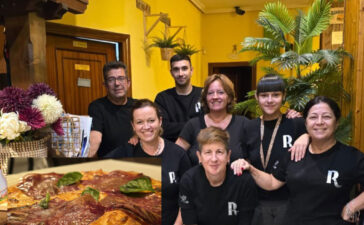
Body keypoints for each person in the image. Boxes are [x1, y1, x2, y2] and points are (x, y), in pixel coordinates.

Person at [231, 96, 364, 225]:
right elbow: (272, 182)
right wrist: (249, 167)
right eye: (313, 117)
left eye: (326, 117)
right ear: (305, 123)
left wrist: (351, 207)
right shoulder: (295, 153)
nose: (319, 122)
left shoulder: (351, 157)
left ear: (336, 123)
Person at [105, 99, 191, 225]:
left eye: (151, 121)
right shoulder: (125, 153)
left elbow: (187, 198)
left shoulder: (178, 154)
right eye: (140, 122)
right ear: (133, 126)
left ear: (160, 121)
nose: (146, 127)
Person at [237, 74, 308, 225]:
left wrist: (307, 136)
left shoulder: (296, 124)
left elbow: (319, 143)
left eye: (275, 95)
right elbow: (245, 159)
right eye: (264, 95)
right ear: (256, 97)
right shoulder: (249, 127)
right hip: (256, 203)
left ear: (284, 96)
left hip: (289, 201)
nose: (269, 100)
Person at [179, 126, 257, 225]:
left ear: (228, 156)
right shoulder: (189, 180)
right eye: (208, 152)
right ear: (199, 157)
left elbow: (246, 221)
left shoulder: (243, 181)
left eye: (219, 152)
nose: (214, 159)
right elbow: (189, 221)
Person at [176, 74, 249, 165]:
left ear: (229, 98)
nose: (215, 97)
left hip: (237, 178)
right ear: (205, 98)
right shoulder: (193, 125)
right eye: (210, 93)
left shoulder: (243, 124)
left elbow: (254, 159)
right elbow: (175, 155)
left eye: (220, 92)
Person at [88, 61, 135, 157]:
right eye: (111, 79)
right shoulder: (97, 107)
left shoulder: (138, 106)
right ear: (105, 85)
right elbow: (95, 138)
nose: (117, 83)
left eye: (121, 78)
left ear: (128, 82)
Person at [155, 54, 203, 142]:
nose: (180, 73)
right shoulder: (162, 98)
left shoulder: (203, 94)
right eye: (176, 69)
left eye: (184, 68)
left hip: (201, 148)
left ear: (191, 70)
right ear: (171, 73)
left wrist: (175, 127)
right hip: (171, 149)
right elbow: (163, 128)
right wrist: (195, 125)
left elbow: (209, 125)